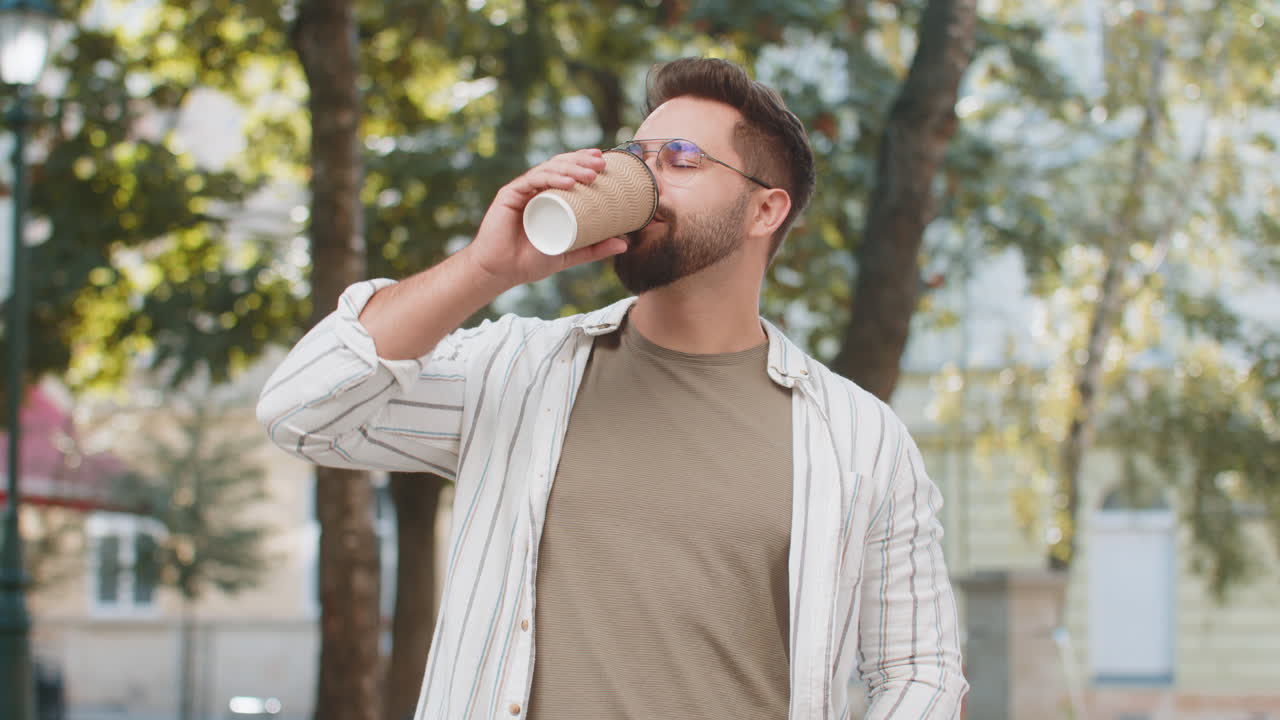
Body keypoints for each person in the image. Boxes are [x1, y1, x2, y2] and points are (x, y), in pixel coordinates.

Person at [257, 57, 968, 720]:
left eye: (680, 159)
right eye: (635, 156)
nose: (644, 180)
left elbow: (920, 671)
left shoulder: (859, 438)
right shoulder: (517, 370)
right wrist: (485, 268)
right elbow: (301, 412)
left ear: (764, 211)